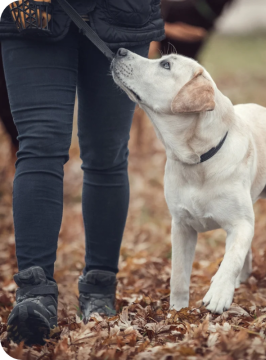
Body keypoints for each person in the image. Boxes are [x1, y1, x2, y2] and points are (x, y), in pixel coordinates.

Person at [0, 0, 164, 346]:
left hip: (123, 13)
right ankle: (34, 293)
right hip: (31, 11)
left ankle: (100, 289)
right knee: (40, 144)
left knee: (107, 153)